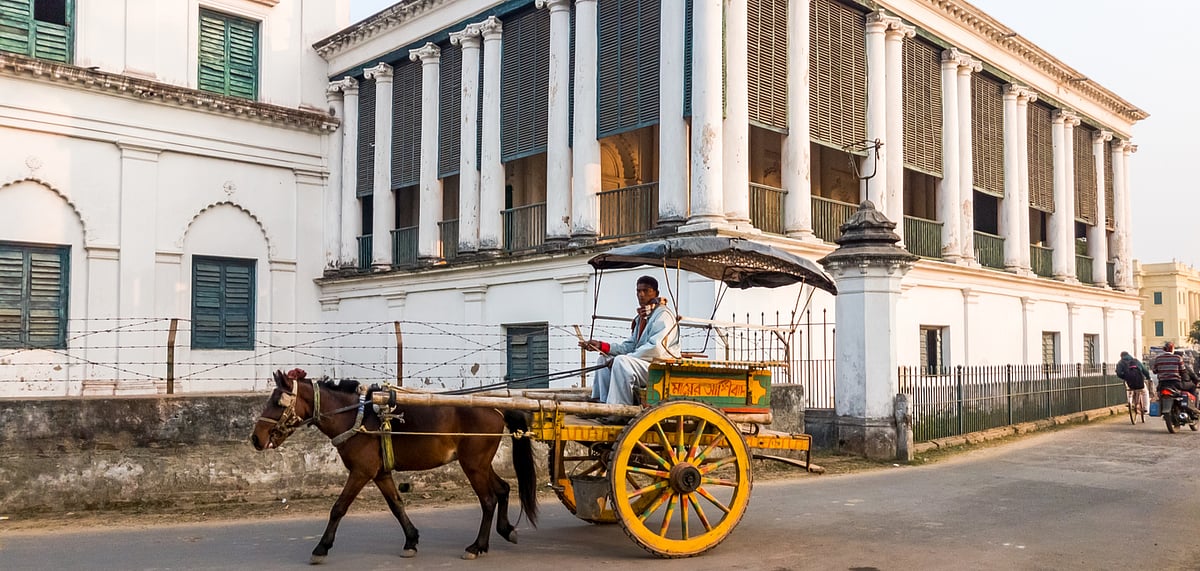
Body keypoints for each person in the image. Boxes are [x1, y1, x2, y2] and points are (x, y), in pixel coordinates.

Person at [580, 275, 680, 406]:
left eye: (646, 291)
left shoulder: (663, 315)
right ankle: (602, 403)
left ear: (656, 293)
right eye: (638, 291)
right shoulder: (642, 318)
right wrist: (603, 346)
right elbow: (631, 345)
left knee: (621, 362)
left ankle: (619, 408)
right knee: (603, 360)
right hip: (645, 363)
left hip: (661, 366)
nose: (641, 295)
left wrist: (624, 357)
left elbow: (656, 348)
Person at [1150, 341, 1200, 413]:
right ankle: (1194, 408)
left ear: (1164, 349)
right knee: (1192, 386)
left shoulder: (1158, 358)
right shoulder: (1177, 358)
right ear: (1172, 349)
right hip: (1176, 384)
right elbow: (1183, 371)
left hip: (1162, 385)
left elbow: (1154, 371)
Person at [1116, 351, 1150, 416]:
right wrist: (1148, 377)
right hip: (1139, 381)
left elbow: (1119, 373)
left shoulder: (1120, 363)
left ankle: (1130, 402)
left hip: (1129, 381)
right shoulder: (1136, 361)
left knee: (1129, 390)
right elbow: (1145, 370)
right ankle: (1146, 408)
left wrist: (1125, 377)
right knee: (1144, 392)